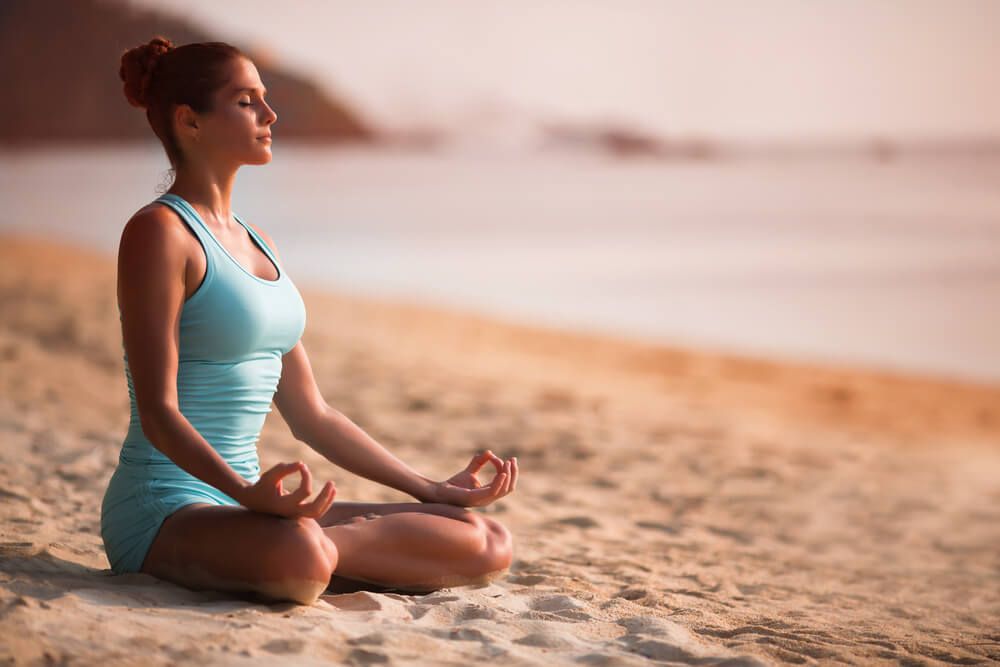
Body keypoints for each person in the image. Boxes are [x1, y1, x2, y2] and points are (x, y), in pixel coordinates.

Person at [102, 36, 518, 606]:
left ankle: (315, 551)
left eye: (264, 98)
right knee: (300, 552)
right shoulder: (159, 234)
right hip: (169, 507)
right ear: (190, 121)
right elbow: (158, 413)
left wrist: (428, 488)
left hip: (259, 509)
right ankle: (309, 551)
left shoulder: (260, 244)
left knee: (485, 538)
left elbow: (313, 414)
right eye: (246, 101)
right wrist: (247, 493)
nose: (269, 114)